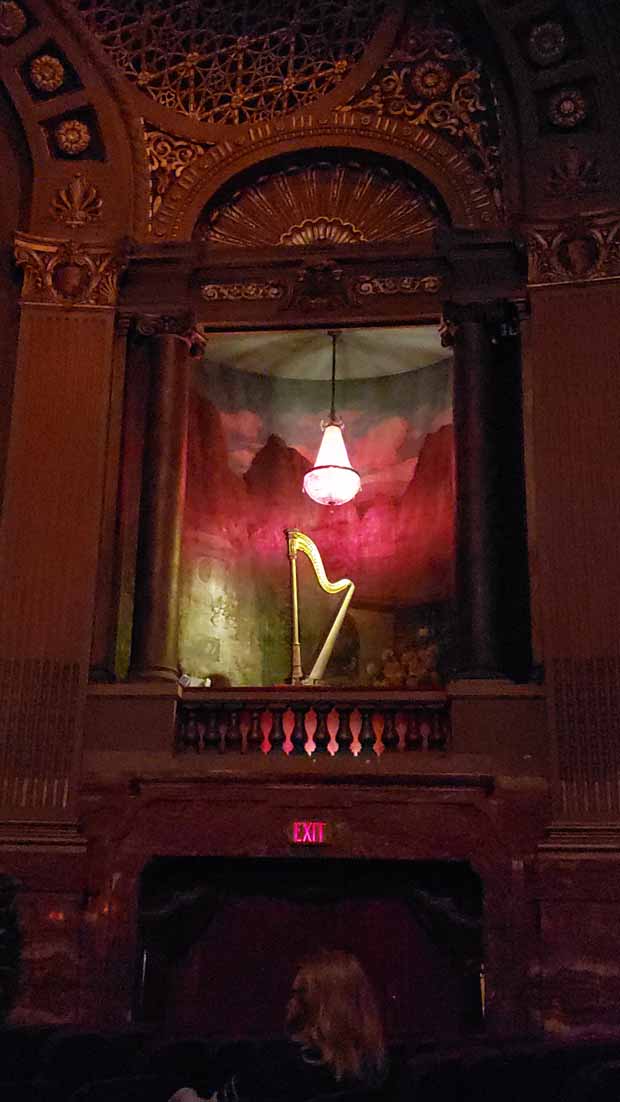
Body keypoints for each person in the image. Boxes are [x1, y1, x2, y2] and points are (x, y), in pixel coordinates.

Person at [169, 949, 387, 1102]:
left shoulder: (277, 1063)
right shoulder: (374, 1068)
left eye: (295, 995)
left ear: (313, 1004)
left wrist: (183, 1094)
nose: (288, 1003)